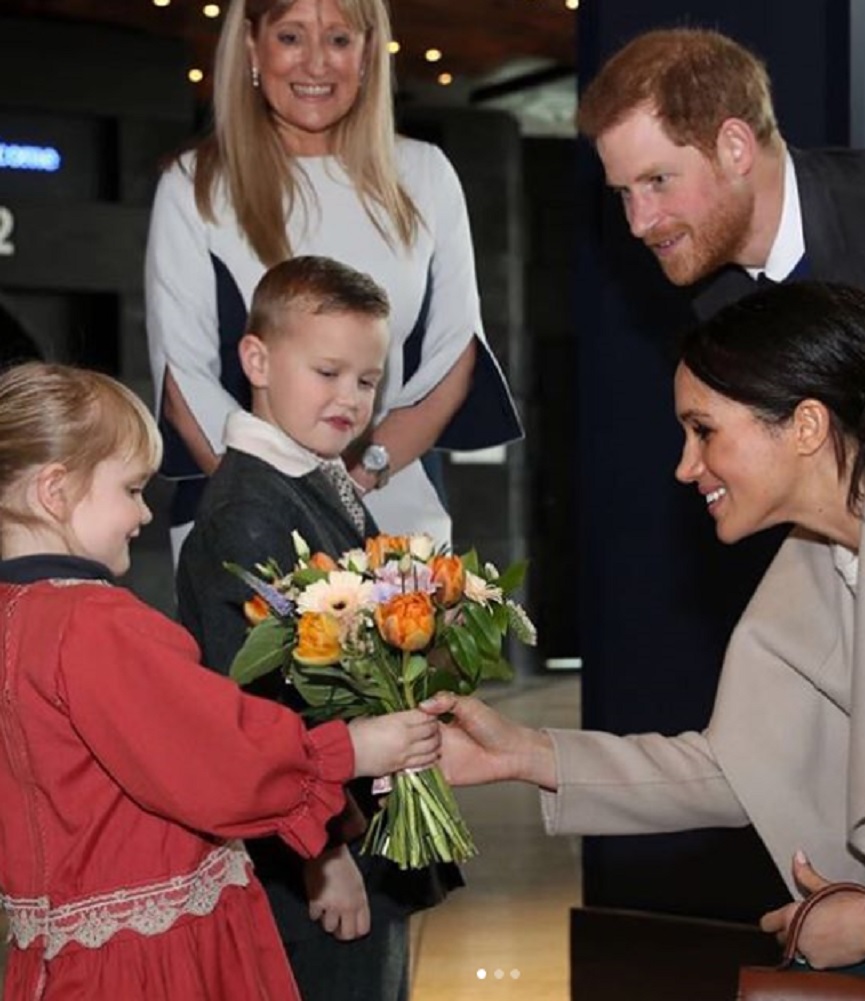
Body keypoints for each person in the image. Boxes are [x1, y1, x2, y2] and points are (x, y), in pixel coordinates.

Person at [426, 282, 865, 1001]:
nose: (685, 466)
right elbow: (746, 766)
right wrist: (526, 753)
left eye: (704, 430)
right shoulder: (822, 551)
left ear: (805, 426)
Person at [0, 361, 442, 1001]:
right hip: (155, 961)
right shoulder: (96, 623)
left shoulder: (18, 618)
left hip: (61, 957)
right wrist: (352, 748)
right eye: (130, 489)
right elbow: (217, 755)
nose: (145, 514)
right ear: (55, 491)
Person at [177, 255, 461, 1001]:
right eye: (328, 372)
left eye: (367, 382)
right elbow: (262, 702)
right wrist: (324, 851)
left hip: (349, 823)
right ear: (257, 359)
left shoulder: (304, 474)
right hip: (310, 853)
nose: (350, 399)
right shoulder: (250, 509)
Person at [145, 0, 521, 561]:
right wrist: (271, 506)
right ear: (252, 47)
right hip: (243, 524)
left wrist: (364, 478)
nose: (317, 64)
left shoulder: (425, 176)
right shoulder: (194, 185)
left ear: (368, 53)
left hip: (398, 511)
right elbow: (184, 382)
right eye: (292, 37)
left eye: (340, 40)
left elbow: (454, 354)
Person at [576, 26, 865, 452]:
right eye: (624, 193)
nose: (638, 223)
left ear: (735, 148)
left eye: (658, 180)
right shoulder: (719, 299)